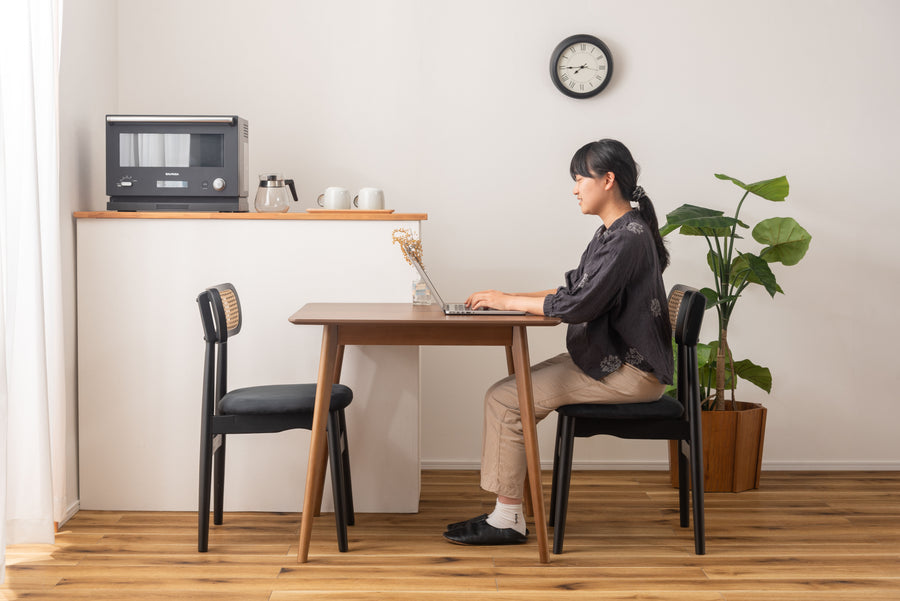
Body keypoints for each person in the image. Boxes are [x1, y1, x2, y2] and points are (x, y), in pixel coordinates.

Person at [443, 139, 674, 546]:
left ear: (608, 179)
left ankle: (507, 519)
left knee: (506, 398)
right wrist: (508, 300)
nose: (575, 188)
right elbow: (573, 289)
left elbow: (581, 304)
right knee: (508, 393)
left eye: (580, 178)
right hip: (613, 361)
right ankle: (507, 511)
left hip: (628, 372)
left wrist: (509, 302)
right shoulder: (616, 232)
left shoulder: (628, 237)